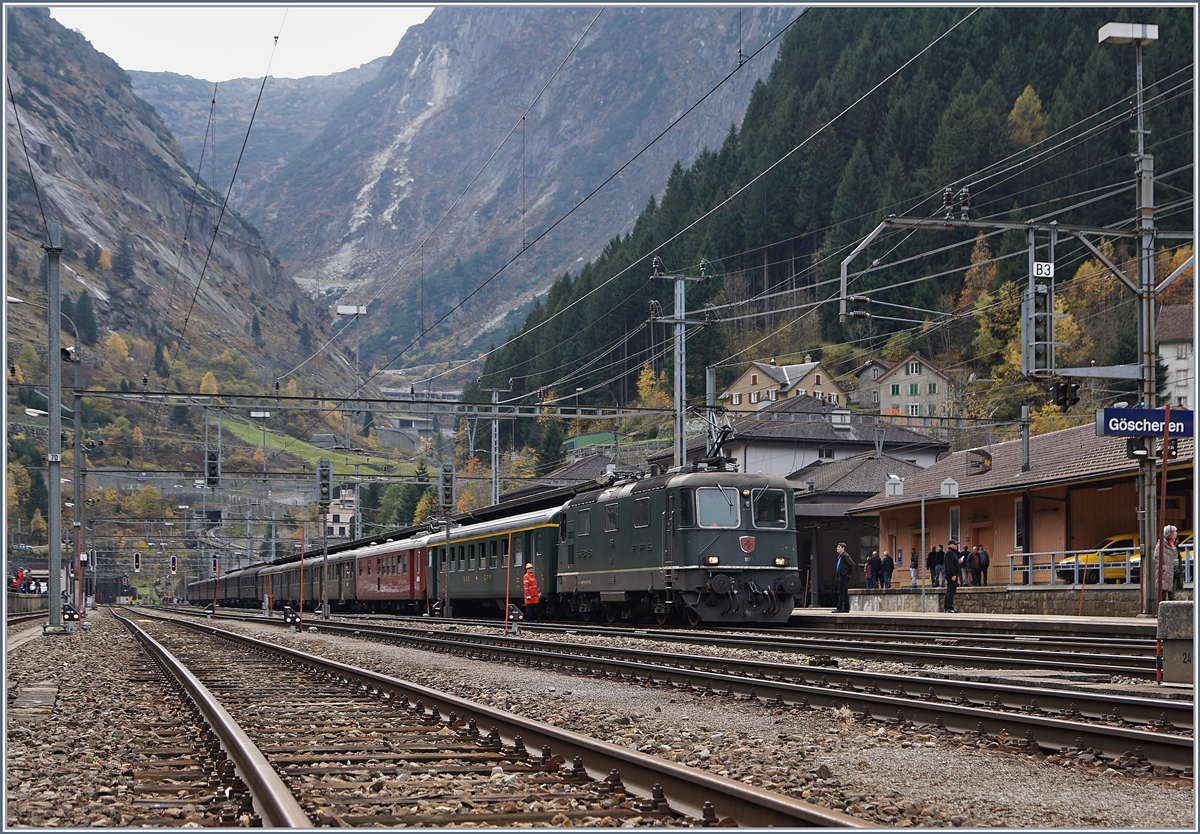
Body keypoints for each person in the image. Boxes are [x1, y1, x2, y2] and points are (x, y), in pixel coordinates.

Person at [1154, 525, 1181, 599]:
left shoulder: (1175, 544)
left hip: (1174, 572)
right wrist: (1163, 568)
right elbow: (1156, 558)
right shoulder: (1161, 545)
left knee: (1173, 595)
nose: (1176, 533)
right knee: (1162, 594)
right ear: (1170, 534)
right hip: (1165, 573)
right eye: (1175, 532)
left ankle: (1172, 610)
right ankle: (1161, 610)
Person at [833, 542, 853, 613]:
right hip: (841, 575)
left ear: (843, 548)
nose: (837, 548)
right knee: (844, 592)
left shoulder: (845, 556)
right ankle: (846, 608)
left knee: (841, 592)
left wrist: (848, 574)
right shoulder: (840, 556)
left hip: (843, 576)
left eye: (839, 547)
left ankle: (840, 608)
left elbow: (852, 564)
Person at [943, 539, 961, 612]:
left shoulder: (952, 553)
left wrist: (958, 562)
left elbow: (953, 563)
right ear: (950, 545)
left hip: (952, 574)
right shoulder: (950, 553)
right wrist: (953, 574)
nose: (956, 546)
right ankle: (949, 607)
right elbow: (949, 565)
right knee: (951, 591)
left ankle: (947, 607)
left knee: (949, 590)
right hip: (951, 574)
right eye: (955, 544)